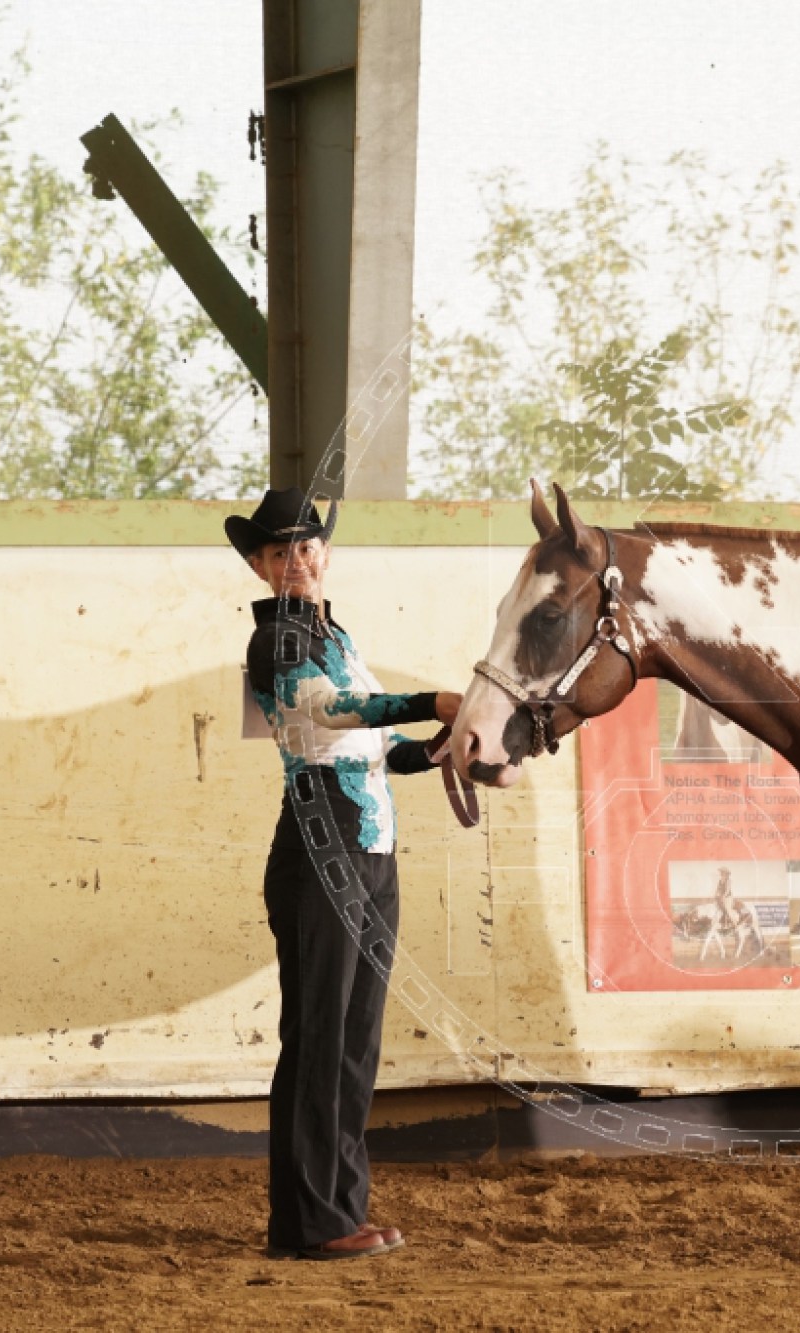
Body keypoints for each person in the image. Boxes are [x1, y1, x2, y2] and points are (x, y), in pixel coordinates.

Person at [229, 488, 459, 1262]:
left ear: (323, 553)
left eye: (306, 546)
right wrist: (430, 699)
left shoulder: (337, 635)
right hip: (320, 843)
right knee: (322, 1036)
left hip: (367, 847)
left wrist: (438, 746)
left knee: (355, 1038)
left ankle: (338, 1207)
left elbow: (373, 747)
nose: (296, 559)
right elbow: (331, 711)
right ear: (261, 567)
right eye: (279, 551)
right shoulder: (275, 642)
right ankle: (310, 1220)